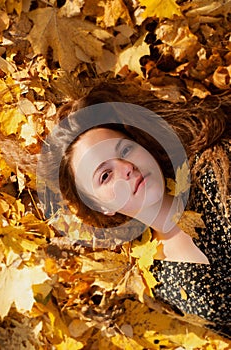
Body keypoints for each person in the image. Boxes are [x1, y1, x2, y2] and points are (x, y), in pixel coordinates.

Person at [37, 83, 231, 338]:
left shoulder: (217, 167)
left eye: (125, 150)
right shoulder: (158, 281)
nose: (126, 167)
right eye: (105, 175)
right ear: (100, 206)